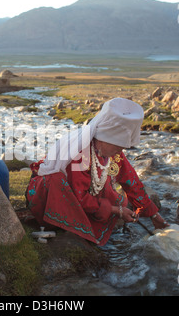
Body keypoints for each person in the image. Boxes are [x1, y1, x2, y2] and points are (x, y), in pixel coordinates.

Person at [25, 97, 169, 246]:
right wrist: (116, 211)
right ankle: (58, 223)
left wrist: (154, 215)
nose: (120, 152)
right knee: (58, 182)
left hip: (81, 196)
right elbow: (79, 197)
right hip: (55, 195)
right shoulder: (79, 155)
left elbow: (132, 182)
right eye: (118, 146)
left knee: (113, 195)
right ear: (104, 139)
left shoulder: (113, 152)